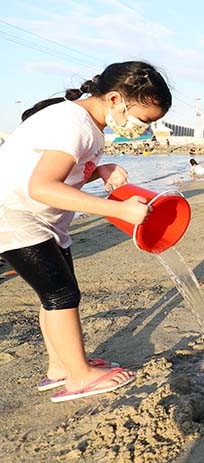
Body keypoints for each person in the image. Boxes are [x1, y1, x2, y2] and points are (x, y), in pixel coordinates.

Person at [0, 61, 172, 402]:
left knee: (56, 294)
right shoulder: (73, 124)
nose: (144, 128)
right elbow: (42, 186)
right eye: (145, 119)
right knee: (61, 295)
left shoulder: (90, 126)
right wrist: (119, 210)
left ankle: (61, 367)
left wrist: (101, 170)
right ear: (114, 99)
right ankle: (79, 377)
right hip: (14, 213)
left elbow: (63, 175)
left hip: (40, 218)